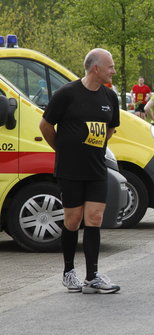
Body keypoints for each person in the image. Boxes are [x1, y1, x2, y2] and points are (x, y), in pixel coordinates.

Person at [39, 48, 121, 293]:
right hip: (70, 169)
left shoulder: (110, 96)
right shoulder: (67, 94)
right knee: (73, 221)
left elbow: (110, 129)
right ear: (95, 68)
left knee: (94, 218)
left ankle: (92, 275)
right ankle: (68, 272)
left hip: (96, 168)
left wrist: (97, 148)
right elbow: (45, 125)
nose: (113, 71)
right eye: (110, 66)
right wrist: (62, 149)